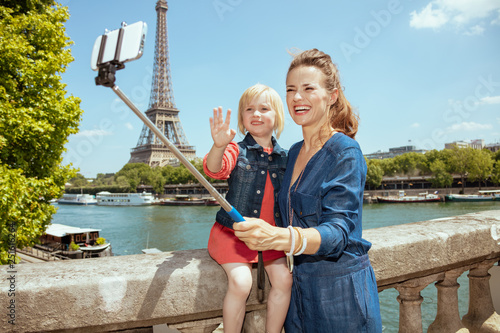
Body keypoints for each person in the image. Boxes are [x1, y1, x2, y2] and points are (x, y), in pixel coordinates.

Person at [233, 49, 383, 332]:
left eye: (308, 89)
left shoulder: (345, 151)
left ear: (332, 95)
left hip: (341, 298)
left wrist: (277, 236)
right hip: (298, 294)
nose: (297, 98)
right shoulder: (293, 153)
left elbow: (338, 232)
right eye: (290, 90)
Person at [203, 83, 292, 333]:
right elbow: (215, 169)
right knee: (241, 284)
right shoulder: (236, 149)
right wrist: (219, 145)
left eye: (264, 108)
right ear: (242, 117)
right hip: (234, 234)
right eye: (249, 109)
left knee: (285, 280)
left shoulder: (287, 156)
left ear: (277, 116)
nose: (256, 114)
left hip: (270, 235)